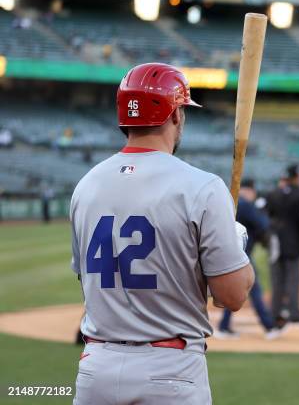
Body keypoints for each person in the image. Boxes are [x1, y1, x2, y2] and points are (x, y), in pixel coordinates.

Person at [70, 63, 254, 405]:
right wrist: (236, 241)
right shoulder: (203, 187)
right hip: (169, 369)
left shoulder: (86, 186)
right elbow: (232, 297)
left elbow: (86, 280)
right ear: (175, 116)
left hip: (96, 368)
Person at [217, 178, 285, 340]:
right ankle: (269, 326)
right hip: (242, 255)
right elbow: (263, 224)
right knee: (252, 288)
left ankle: (224, 326)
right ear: (249, 190)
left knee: (234, 288)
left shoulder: (228, 202)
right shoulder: (245, 204)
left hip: (227, 252)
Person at [266, 164, 299, 323]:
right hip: (293, 242)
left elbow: (266, 217)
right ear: (296, 177)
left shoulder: (273, 194)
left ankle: (275, 312)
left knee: (277, 279)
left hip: (275, 242)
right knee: (293, 279)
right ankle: (294, 312)